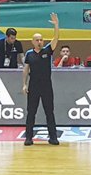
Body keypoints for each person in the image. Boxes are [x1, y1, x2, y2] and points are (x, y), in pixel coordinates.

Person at [22, 13, 61, 146]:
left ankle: (53, 137)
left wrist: (56, 25)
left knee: (49, 112)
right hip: (33, 86)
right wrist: (24, 84)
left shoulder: (47, 51)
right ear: (33, 41)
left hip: (46, 86)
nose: (39, 42)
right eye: (37, 40)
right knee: (31, 112)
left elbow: (56, 38)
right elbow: (25, 69)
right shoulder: (29, 54)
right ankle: (28, 138)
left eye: (41, 40)